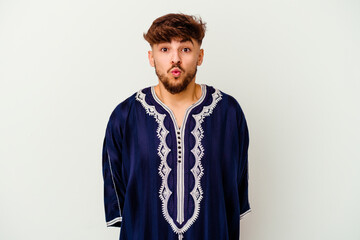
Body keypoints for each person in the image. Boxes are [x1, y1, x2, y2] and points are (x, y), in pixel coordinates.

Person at [102, 13, 251, 240]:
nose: (175, 59)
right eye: (164, 49)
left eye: (185, 49)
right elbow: (120, 197)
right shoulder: (125, 116)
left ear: (200, 56)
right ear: (151, 57)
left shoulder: (228, 113)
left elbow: (233, 194)